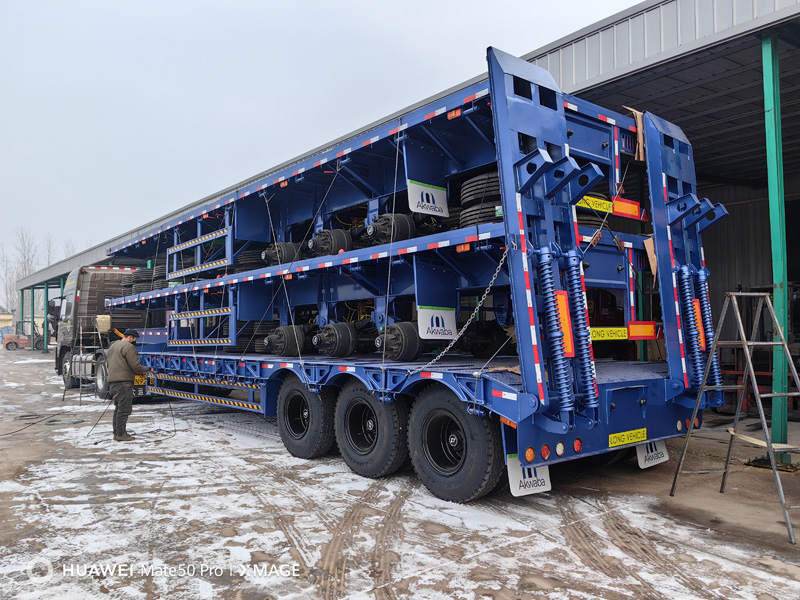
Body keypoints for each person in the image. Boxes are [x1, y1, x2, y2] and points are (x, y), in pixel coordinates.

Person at [107, 329, 148, 441]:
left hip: (113, 382)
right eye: (134, 339)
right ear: (130, 337)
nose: (134, 341)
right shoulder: (128, 347)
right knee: (124, 410)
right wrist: (147, 369)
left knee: (118, 409)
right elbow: (135, 366)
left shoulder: (113, 346)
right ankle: (121, 434)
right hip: (123, 383)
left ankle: (117, 432)